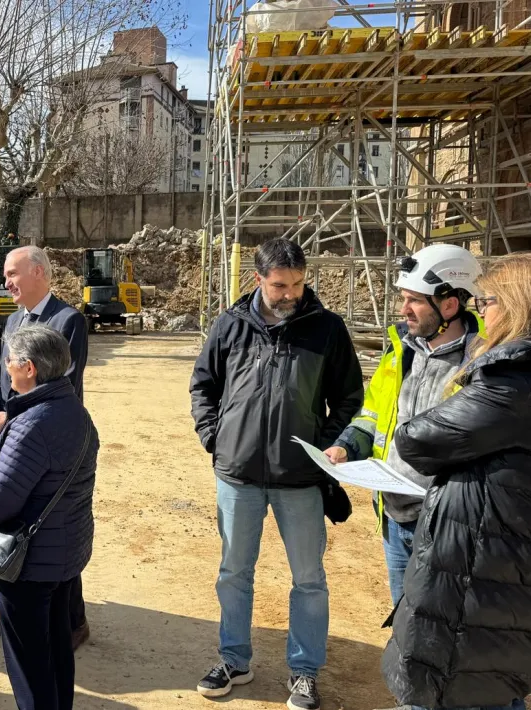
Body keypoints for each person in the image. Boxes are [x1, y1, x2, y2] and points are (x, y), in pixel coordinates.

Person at [189, 238, 363, 710]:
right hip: (237, 475)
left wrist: (325, 447)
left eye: (299, 284)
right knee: (233, 573)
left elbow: (349, 398)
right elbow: (204, 385)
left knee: (308, 579)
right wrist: (214, 436)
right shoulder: (230, 325)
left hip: (301, 480)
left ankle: (304, 671)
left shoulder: (326, 328)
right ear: (258, 280)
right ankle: (234, 660)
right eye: (280, 285)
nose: (291, 294)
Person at [380, 252, 531, 710]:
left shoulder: (512, 377)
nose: (482, 308)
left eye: (488, 300)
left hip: (482, 554)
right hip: (450, 533)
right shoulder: (405, 349)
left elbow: (418, 440)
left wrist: (479, 367)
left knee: (463, 672)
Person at [324, 245, 482, 605]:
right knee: (404, 623)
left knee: (443, 626)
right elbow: (373, 414)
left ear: (449, 304)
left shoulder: (482, 362)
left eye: (414, 301)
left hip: (446, 525)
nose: (403, 309)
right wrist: (346, 445)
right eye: (403, 298)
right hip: (394, 518)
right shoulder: (402, 352)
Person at [0, 325, 98, 710]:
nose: (5, 367)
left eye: (9, 360)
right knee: (57, 649)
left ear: (28, 368)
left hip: (27, 564)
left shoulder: (30, 425)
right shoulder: (74, 410)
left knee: (29, 663)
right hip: (63, 555)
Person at [0, 246, 92, 647]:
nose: (6, 282)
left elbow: (66, 386)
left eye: (13, 273)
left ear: (39, 274)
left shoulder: (67, 320)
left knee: (52, 527)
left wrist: (14, 417)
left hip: (48, 438)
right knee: (18, 525)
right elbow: (1, 379)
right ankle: (18, 613)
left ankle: (73, 621)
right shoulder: (12, 320)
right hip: (13, 436)